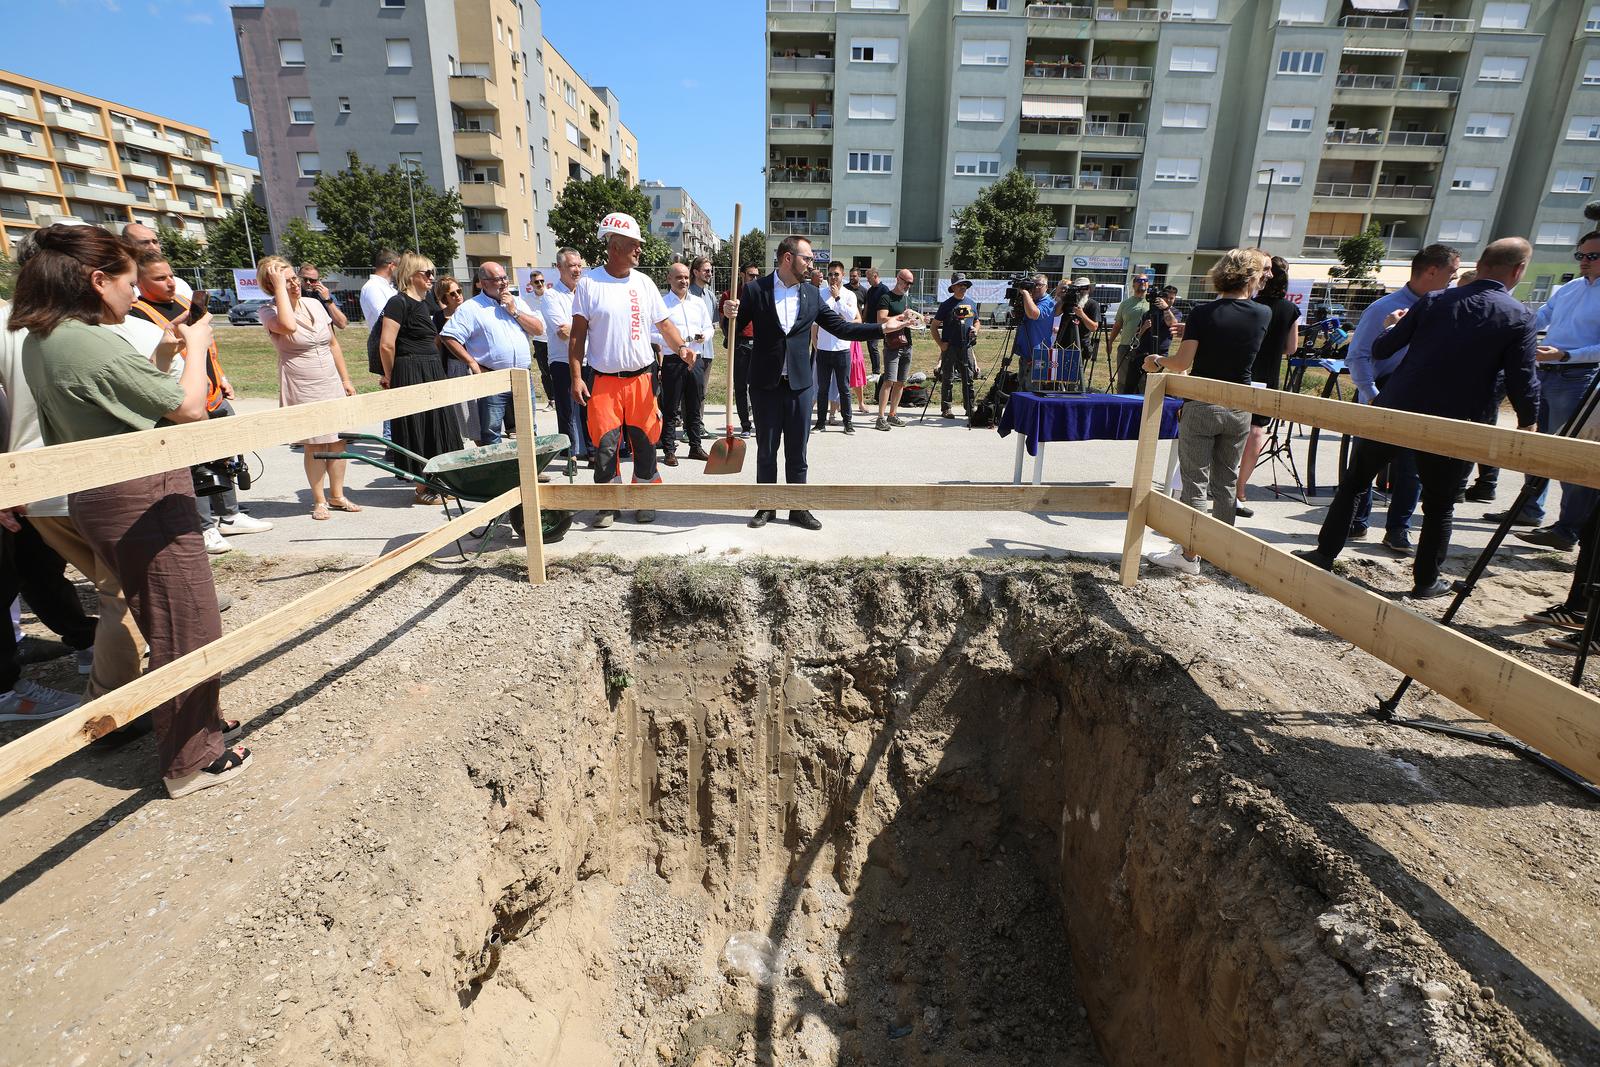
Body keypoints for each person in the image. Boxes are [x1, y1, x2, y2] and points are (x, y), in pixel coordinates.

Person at [13, 224, 249, 798]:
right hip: (138, 494)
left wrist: (167, 350)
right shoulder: (86, 341)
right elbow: (189, 409)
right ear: (97, 280)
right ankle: (191, 758)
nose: (134, 292)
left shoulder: (47, 337)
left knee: (162, 618)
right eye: (127, 281)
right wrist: (198, 346)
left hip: (103, 493)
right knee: (187, 623)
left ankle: (194, 723)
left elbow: (119, 397)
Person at [1294, 238, 1541, 599]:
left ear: (1481, 264)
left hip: (1398, 406)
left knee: (1355, 482)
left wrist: (1392, 326)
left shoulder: (1434, 300)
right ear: (1518, 270)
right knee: (1440, 504)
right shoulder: (1519, 315)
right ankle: (1426, 581)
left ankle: (1324, 553)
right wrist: (1528, 422)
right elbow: (1523, 377)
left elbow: (1383, 349)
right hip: (1455, 420)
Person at [0, 231, 146, 712]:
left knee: (97, 588)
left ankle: (94, 655)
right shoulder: (96, 330)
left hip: (34, 486)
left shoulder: (15, 325)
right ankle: (111, 707)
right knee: (124, 594)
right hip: (95, 480)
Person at [726, 235, 906, 530]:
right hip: (765, 385)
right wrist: (728, 315)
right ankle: (766, 505)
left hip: (799, 385)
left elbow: (842, 327)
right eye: (807, 258)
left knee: (798, 451)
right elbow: (732, 331)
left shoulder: (812, 294)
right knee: (767, 450)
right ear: (788, 258)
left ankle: (798, 507)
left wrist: (883, 327)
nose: (811, 264)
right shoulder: (756, 290)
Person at [120, 253, 273, 553]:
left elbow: (206, 349)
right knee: (195, 464)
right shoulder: (136, 314)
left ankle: (230, 515)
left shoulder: (183, 302)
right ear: (140, 282)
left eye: (170, 275)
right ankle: (204, 527)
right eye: (159, 278)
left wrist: (221, 376)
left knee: (225, 458)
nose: (169, 282)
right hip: (182, 399)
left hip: (212, 394)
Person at [1143, 249, 1272, 576]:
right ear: (1251, 277)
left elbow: (1182, 363)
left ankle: (1189, 555)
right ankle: (1220, 552)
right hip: (1240, 406)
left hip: (1202, 403)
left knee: (1195, 482)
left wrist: (1156, 360)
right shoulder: (1263, 314)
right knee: (1226, 482)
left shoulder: (1203, 312)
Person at [568, 212, 697, 527]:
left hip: (641, 378)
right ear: (614, 246)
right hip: (603, 381)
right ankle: (607, 504)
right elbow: (577, 335)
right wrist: (576, 376)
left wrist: (681, 347)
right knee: (605, 445)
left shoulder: (644, 283)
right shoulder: (590, 284)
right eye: (634, 244)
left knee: (645, 440)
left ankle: (644, 499)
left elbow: (664, 324)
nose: (640, 249)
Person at [1343, 244, 1460, 552]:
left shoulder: (1447, 308)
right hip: (1381, 393)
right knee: (1364, 466)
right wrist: (1371, 395)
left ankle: (1398, 529)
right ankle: (1357, 520)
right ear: (1432, 271)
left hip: (1422, 397)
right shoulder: (1383, 308)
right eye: (1452, 271)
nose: (1455, 278)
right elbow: (1358, 356)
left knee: (1411, 469)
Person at [1497, 231, 1600, 550]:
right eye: (1580, 255)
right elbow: (1540, 317)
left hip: (1579, 376)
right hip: (1546, 372)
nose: (1584, 262)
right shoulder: (1570, 288)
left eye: (1592, 256)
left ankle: (1569, 529)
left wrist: (1566, 355)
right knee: (1536, 445)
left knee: (1572, 456)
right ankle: (1529, 509)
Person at [257, 255, 361, 520]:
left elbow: (333, 343)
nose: (294, 284)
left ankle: (337, 495)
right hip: (301, 383)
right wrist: (279, 289)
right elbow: (288, 325)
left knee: (337, 440)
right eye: (286, 281)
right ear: (271, 285)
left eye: (294, 278)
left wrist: (345, 380)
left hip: (329, 379)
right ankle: (319, 500)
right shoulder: (268, 311)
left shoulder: (314, 304)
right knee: (315, 444)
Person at [378, 253, 465, 497]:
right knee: (419, 426)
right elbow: (386, 344)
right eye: (427, 273)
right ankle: (422, 487)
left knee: (440, 423)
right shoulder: (398, 302)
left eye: (432, 273)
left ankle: (441, 480)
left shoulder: (427, 304)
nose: (431, 278)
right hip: (410, 369)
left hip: (432, 369)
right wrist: (391, 376)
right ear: (411, 275)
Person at [440, 262, 542, 446]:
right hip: (494, 378)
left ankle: (528, 465)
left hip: (522, 376)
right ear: (484, 282)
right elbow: (448, 336)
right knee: (491, 432)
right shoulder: (471, 308)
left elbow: (538, 329)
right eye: (498, 279)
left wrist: (514, 311)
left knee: (527, 429)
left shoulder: (516, 302)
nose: (504, 282)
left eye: (505, 277)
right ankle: (499, 465)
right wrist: (472, 363)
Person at [1234, 256, 1301, 517]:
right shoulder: (1289, 309)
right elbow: (1291, 348)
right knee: (1256, 432)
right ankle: (1240, 488)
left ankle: (1223, 481)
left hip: (1244, 370)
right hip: (1268, 375)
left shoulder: (1251, 304)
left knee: (1233, 427)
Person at [656, 262, 715, 464]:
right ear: (669, 279)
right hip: (673, 360)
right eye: (679, 277)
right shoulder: (662, 304)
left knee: (694, 404)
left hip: (695, 359)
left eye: (686, 277)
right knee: (671, 407)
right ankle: (669, 449)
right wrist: (674, 342)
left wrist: (704, 336)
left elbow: (709, 327)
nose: (683, 281)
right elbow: (652, 332)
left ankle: (695, 446)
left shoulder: (697, 303)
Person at [542, 248, 591, 462]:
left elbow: (576, 329)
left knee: (590, 410)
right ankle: (571, 457)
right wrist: (591, 328)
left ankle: (592, 452)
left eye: (579, 265)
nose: (577, 270)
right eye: (572, 265)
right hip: (562, 362)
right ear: (559, 268)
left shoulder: (586, 293)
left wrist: (580, 329)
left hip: (590, 360)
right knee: (567, 411)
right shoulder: (551, 296)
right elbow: (563, 332)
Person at [812, 261, 860, 434]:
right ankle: (820, 423)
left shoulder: (849, 295)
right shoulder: (820, 293)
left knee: (844, 388)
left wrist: (838, 298)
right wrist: (815, 343)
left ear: (843, 275)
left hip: (842, 348)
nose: (833, 277)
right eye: (830, 274)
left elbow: (850, 317)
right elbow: (815, 321)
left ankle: (848, 422)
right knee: (822, 388)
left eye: (836, 274)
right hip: (824, 349)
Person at [360, 249, 400, 437]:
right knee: (392, 392)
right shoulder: (373, 288)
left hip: (396, 344)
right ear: (392, 265)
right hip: (386, 345)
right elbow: (385, 317)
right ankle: (390, 438)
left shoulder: (387, 287)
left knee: (398, 391)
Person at [931, 273, 979, 419]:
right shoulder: (946, 305)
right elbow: (934, 326)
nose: (963, 287)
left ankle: (970, 407)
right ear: (953, 287)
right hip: (950, 346)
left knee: (968, 377)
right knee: (948, 377)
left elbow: (977, 321)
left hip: (967, 346)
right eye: (959, 285)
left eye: (965, 285)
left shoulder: (971, 303)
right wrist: (941, 344)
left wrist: (976, 329)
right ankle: (946, 408)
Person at [874, 269, 916, 431]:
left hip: (907, 344)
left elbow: (911, 320)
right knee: (889, 381)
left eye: (911, 283)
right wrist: (901, 318)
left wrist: (920, 320)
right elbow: (881, 319)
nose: (908, 286)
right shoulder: (886, 297)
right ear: (898, 279)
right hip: (892, 345)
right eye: (906, 282)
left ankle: (892, 414)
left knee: (901, 382)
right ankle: (880, 417)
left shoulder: (907, 299)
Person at [722, 264, 761, 438]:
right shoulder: (730, 295)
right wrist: (730, 314)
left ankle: (760, 422)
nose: (754, 278)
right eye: (751, 275)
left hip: (758, 344)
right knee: (740, 386)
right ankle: (745, 425)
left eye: (757, 275)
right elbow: (725, 326)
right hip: (740, 344)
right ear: (742, 275)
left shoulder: (760, 293)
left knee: (758, 385)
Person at [121, 223, 192, 301]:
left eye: (155, 242)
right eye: (145, 243)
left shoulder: (180, 285)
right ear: (126, 246)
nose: (153, 247)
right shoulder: (119, 288)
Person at [1012, 274, 1055, 390]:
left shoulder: (1048, 302)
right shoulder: (1031, 300)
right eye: (1033, 284)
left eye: (1039, 285)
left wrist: (1025, 293)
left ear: (1046, 287)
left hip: (1039, 354)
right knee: (1021, 386)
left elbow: (1033, 314)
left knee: (1032, 389)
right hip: (1026, 352)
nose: (1035, 288)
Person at [1110, 274, 1151, 393]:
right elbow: (1117, 325)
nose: (1142, 282)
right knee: (1123, 380)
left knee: (1143, 381)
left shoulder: (1152, 304)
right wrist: (1110, 342)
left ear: (1148, 284)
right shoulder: (1125, 303)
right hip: (1126, 345)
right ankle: (1121, 401)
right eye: (1139, 280)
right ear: (1133, 284)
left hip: (1145, 347)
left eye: (1145, 280)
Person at [297, 262, 349, 329]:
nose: (308, 282)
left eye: (312, 280)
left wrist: (327, 300)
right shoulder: (291, 295)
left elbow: (342, 324)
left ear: (318, 281)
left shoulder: (326, 296)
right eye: (305, 279)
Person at [860, 266, 884, 380]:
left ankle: (877, 372)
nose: (867, 280)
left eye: (869, 278)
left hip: (878, 323)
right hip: (869, 322)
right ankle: (875, 371)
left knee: (873, 346)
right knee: (870, 346)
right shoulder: (870, 291)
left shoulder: (884, 290)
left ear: (875, 276)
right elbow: (867, 306)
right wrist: (863, 319)